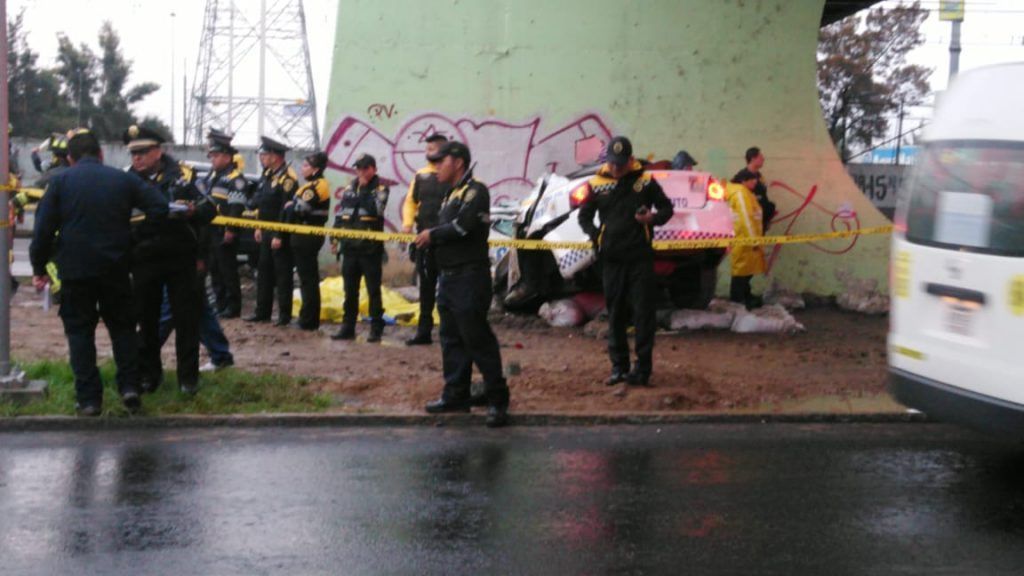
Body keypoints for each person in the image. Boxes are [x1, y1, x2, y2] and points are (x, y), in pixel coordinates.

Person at [29, 128, 169, 415]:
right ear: (102, 154)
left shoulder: (60, 183)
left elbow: (42, 231)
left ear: (70, 158)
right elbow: (160, 207)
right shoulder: (123, 180)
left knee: (80, 333)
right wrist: (134, 240)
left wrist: (39, 267)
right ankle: (130, 387)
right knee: (123, 330)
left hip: (74, 270)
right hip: (116, 267)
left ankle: (89, 399)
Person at [414, 141, 510, 428]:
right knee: (451, 338)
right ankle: (456, 394)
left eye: (440, 161)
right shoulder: (450, 194)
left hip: (470, 277)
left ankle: (497, 399)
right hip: (450, 277)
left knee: (477, 339)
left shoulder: (475, 191)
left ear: (457, 162)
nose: (436, 167)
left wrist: (432, 234)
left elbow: (463, 226)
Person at [124, 124, 216, 395]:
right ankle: (149, 376)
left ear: (158, 151)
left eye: (142, 152)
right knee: (146, 320)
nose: (137, 159)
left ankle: (188, 379)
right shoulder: (128, 179)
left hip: (180, 257)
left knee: (187, 320)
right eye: (133, 154)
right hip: (144, 258)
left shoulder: (183, 176)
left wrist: (191, 211)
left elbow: (210, 209)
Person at [577, 136, 674, 388]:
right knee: (616, 314)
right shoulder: (596, 184)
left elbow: (667, 209)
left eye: (621, 164)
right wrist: (597, 235)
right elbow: (584, 216)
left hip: (640, 258)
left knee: (643, 315)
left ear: (631, 160)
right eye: (612, 163)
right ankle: (618, 367)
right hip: (611, 260)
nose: (616, 168)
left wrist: (652, 219)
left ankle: (642, 370)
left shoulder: (645, 182)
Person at [329, 154, 389, 343]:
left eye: (364, 168)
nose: (360, 172)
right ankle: (348, 327)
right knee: (350, 290)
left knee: (373, 290)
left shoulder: (381, 189)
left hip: (370, 249)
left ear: (373, 169)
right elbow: (341, 214)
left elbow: (376, 211)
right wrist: (334, 237)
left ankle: (376, 328)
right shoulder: (349, 189)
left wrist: (364, 190)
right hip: (349, 247)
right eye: (358, 168)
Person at [401, 133, 450, 345]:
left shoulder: (451, 177)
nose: (427, 153)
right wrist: (407, 224)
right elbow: (411, 202)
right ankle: (424, 332)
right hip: (423, 239)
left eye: (431, 150)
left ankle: (449, 332)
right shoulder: (420, 176)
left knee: (448, 289)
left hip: (448, 241)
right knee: (426, 288)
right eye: (427, 149)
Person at [246, 136, 299, 326]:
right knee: (264, 271)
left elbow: (287, 209)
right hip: (266, 229)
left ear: (275, 156)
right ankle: (263, 312)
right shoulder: (268, 175)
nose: (262, 158)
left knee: (282, 274)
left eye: (264, 154)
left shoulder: (288, 178)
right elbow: (263, 203)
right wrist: (259, 226)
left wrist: (279, 234)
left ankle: (284, 315)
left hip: (280, 232)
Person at [201, 129, 249, 318]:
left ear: (228, 157)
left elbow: (236, 207)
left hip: (224, 230)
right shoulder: (213, 177)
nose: (212, 159)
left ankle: (233, 306)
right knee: (214, 269)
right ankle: (220, 304)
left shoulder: (235, 179)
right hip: (211, 230)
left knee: (227, 270)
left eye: (216, 156)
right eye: (211, 156)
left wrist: (231, 229)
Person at [288, 151, 332, 331]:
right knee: (305, 278)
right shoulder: (309, 185)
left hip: (308, 236)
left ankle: (309, 320)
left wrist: (291, 206)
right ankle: (306, 317)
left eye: (306, 166)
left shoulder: (319, 185)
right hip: (301, 235)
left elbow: (300, 209)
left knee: (308, 279)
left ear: (316, 169)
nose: (302, 169)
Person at [727, 170, 767, 309]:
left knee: (745, 271)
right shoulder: (741, 194)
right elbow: (746, 218)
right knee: (741, 272)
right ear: (743, 180)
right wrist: (753, 241)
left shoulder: (744, 192)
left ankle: (744, 298)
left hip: (745, 238)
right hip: (744, 239)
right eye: (752, 179)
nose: (755, 182)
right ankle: (738, 302)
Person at [733, 146, 776, 231]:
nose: (763, 159)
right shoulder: (741, 177)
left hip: (760, 221)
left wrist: (766, 220)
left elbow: (763, 196)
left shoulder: (759, 176)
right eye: (760, 157)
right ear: (753, 159)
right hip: (749, 224)